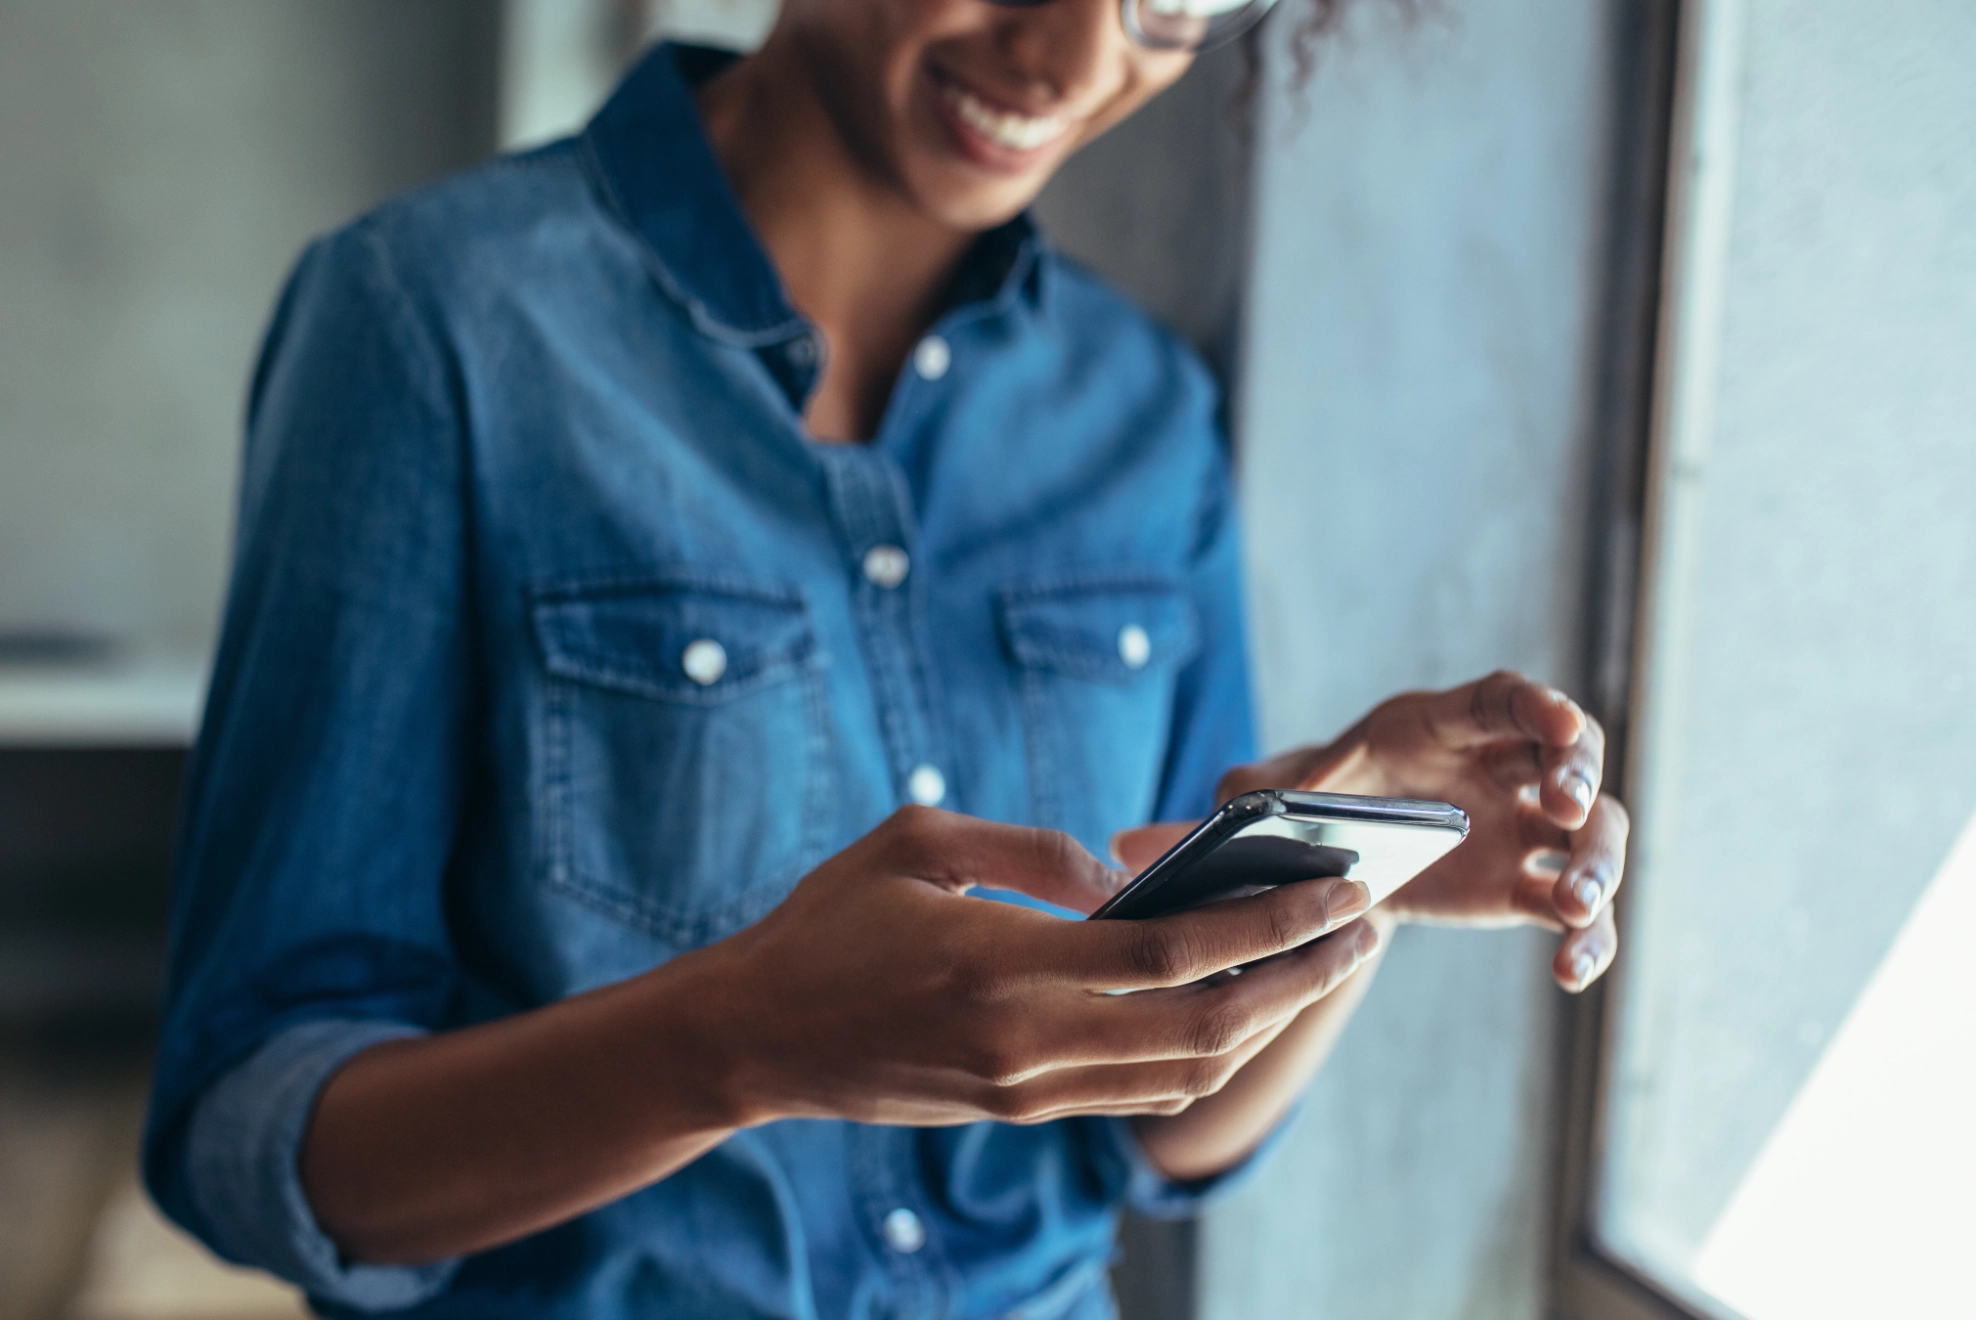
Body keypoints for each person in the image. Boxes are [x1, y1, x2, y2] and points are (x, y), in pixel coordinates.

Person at [144, 1, 1629, 1316]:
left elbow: (1163, 1135)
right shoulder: (430, 325)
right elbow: (250, 1134)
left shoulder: (1142, 415)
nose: (1071, 57)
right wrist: (732, 1043)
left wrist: (1340, 868)